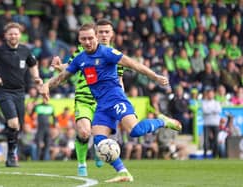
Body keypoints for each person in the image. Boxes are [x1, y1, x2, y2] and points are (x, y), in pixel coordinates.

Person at [41, 23, 181, 183]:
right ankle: (123, 172)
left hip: (116, 98)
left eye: (90, 38)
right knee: (99, 141)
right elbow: (62, 77)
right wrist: (46, 84)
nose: (87, 42)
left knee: (135, 131)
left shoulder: (107, 52)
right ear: (79, 40)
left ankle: (162, 121)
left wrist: (154, 76)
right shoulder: (80, 58)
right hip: (101, 105)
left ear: (96, 37)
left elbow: (133, 64)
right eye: (83, 39)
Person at [50, 19, 124, 177]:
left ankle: (100, 152)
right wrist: (58, 67)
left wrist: (121, 99)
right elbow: (70, 67)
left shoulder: (116, 56)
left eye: (106, 32)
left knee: (103, 136)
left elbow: (119, 81)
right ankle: (82, 163)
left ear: (111, 34)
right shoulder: (82, 51)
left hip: (105, 100)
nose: (103, 35)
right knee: (84, 132)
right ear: (96, 34)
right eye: (101, 32)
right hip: (84, 97)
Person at [0, 22, 43, 167]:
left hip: (19, 92)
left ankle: (9, 144)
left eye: (16, 33)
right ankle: (11, 156)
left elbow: (33, 64)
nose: (13, 36)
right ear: (6, 36)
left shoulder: (25, 50)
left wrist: (36, 78)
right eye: (10, 34)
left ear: (20, 35)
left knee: (18, 126)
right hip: (3, 90)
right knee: (14, 123)